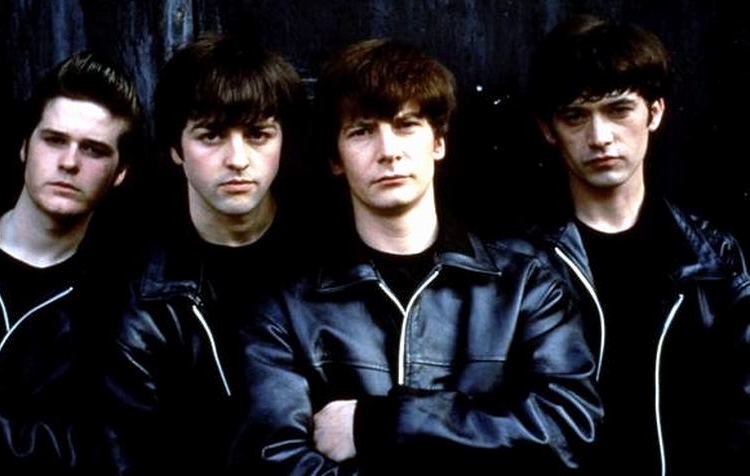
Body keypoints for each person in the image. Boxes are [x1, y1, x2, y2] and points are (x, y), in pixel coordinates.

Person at [228, 37, 602, 475]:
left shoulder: (524, 287)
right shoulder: (286, 309)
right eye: (362, 131)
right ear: (335, 158)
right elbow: (273, 460)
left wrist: (382, 422)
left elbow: (569, 431)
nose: (388, 151)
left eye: (406, 125)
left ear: (438, 142)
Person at [525, 14, 750, 475]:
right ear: (549, 129)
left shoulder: (713, 257)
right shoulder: (520, 263)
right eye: (575, 116)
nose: (600, 137)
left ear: (655, 112)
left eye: (618, 109)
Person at [103, 33, 312, 475]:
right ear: (175, 148)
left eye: (258, 134)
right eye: (211, 135)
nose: (237, 159)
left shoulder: (328, 262)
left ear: (283, 142)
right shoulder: (139, 292)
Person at [0, 51, 143, 473]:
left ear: (120, 172)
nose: (69, 162)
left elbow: (106, 453)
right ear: (25, 146)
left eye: (93, 150)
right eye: (54, 140)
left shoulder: (119, 304)